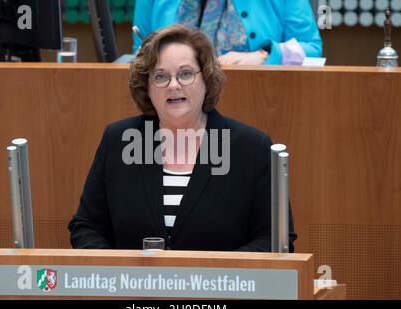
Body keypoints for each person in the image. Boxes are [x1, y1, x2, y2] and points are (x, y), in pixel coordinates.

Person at [68, 25, 297, 251]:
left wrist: (221, 276)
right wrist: (115, 276)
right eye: (160, 76)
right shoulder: (119, 140)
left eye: (186, 74)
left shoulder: (252, 148)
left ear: (206, 79)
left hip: (223, 286)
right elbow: (87, 226)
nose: (174, 85)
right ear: (146, 86)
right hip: (133, 287)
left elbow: (275, 238)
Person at [133, 0, 322, 65]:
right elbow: (139, 53)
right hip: (174, 109)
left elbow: (312, 49)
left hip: (256, 100)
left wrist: (263, 57)